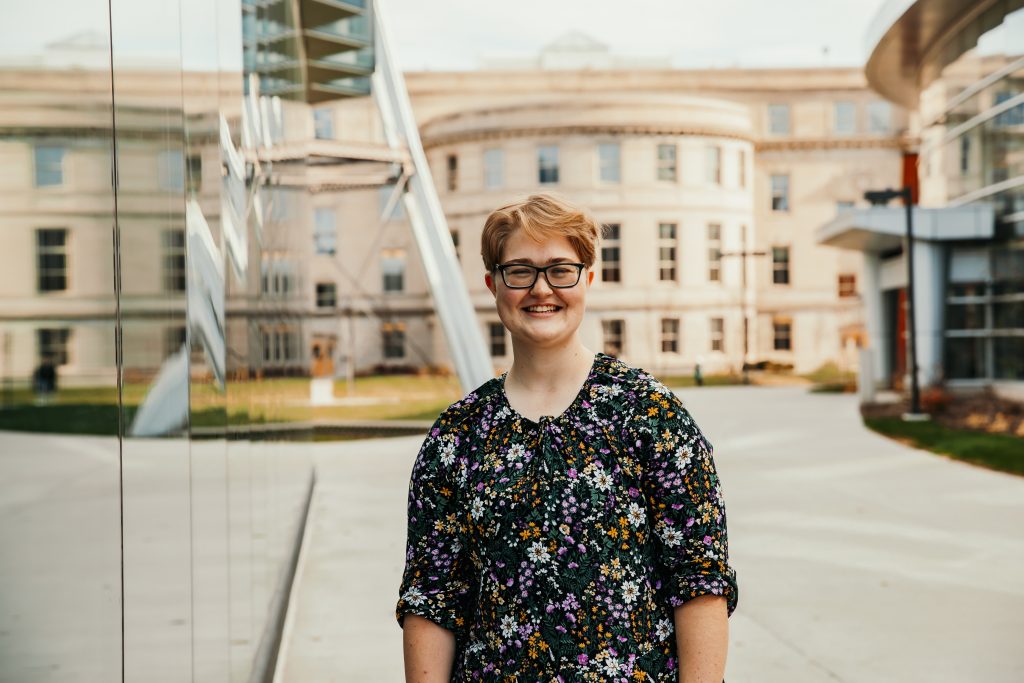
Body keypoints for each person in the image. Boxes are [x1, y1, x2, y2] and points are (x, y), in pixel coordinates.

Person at [397, 193, 738, 682]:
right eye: (520, 271)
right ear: (493, 284)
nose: (541, 289)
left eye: (561, 269)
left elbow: (699, 580)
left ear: (588, 279)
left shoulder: (651, 414)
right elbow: (432, 598)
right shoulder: (457, 436)